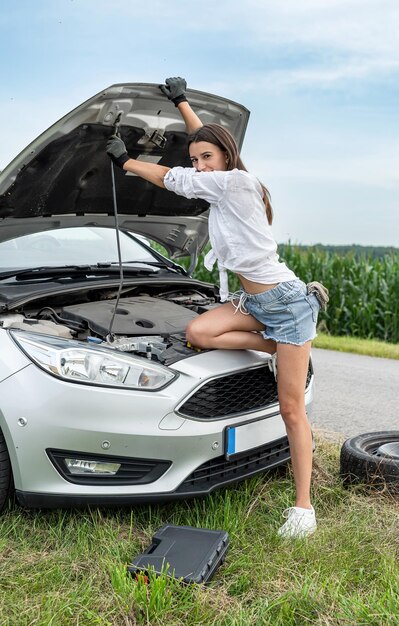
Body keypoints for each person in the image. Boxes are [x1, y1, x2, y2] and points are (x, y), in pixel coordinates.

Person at [106, 77, 328, 538]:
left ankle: (303, 508)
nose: (201, 165)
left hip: (284, 304)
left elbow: (175, 177)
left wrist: (127, 161)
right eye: (196, 158)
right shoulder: (219, 181)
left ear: (227, 158)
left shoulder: (238, 184)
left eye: (209, 158)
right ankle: (280, 346)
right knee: (200, 333)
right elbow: (202, 145)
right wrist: (181, 102)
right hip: (252, 303)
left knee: (291, 409)